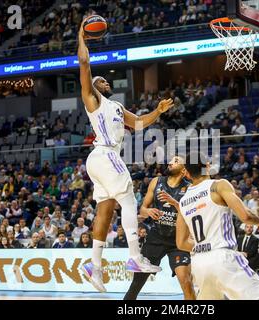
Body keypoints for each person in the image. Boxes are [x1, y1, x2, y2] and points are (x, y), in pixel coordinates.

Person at [78, 19, 173, 292]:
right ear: (93, 87)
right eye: (99, 81)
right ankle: (135, 257)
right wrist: (81, 36)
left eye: (105, 80)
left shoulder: (116, 106)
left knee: (105, 211)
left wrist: (158, 111)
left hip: (100, 160)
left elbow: (141, 123)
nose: (104, 82)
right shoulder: (92, 100)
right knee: (130, 199)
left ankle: (94, 266)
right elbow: (84, 65)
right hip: (105, 153)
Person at [175, 152, 259, 300]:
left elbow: (181, 243)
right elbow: (245, 216)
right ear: (207, 166)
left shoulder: (183, 201)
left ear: (186, 172)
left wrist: (204, 247)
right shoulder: (218, 186)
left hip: (199, 263)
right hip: (223, 256)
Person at [124, 156, 195, 300]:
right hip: (156, 236)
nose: (170, 163)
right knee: (137, 282)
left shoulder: (190, 188)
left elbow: (192, 213)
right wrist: (148, 211)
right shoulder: (156, 182)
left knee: (186, 281)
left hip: (179, 239)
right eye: (171, 160)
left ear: (183, 169)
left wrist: (174, 203)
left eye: (175, 161)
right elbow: (143, 209)